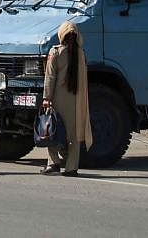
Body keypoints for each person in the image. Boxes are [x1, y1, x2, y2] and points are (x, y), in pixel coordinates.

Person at [41, 20, 92, 177]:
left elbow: (50, 77)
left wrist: (46, 98)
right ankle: (71, 167)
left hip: (58, 99)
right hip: (77, 101)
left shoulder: (55, 52)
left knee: (51, 129)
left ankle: (53, 162)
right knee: (74, 135)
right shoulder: (81, 54)